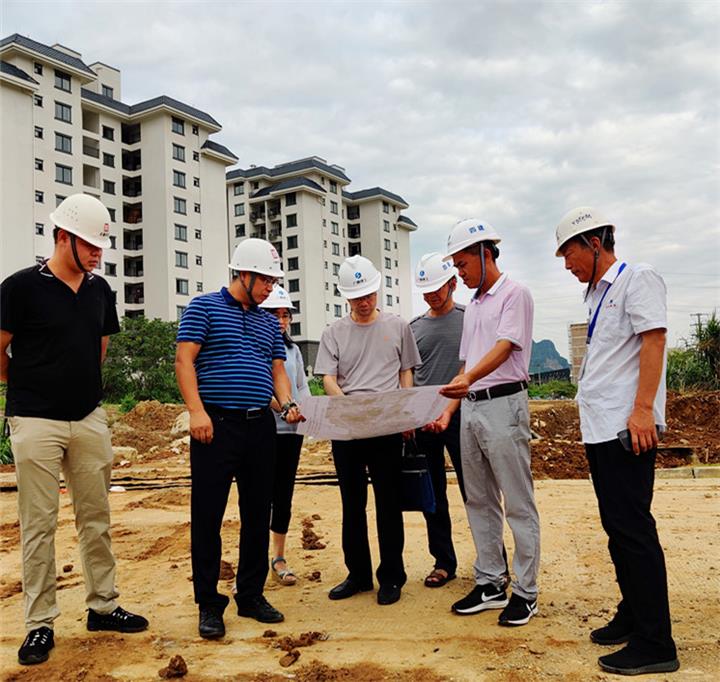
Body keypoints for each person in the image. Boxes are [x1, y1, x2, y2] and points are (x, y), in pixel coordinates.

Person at [0, 194, 148, 667]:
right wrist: (28, 385)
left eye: (101, 246)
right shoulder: (20, 288)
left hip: (88, 418)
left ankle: (102, 606)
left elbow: (98, 348)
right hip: (35, 419)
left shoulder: (100, 291)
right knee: (38, 525)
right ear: (63, 237)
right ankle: (39, 624)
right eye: (90, 245)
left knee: (96, 518)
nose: (98, 254)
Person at [555, 206, 679, 676]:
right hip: (602, 428)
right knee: (617, 530)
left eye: (569, 254)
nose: (567, 265)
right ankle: (633, 613)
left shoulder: (636, 278)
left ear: (594, 243)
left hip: (628, 427)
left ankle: (656, 642)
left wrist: (643, 409)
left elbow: (654, 341)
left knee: (633, 531)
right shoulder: (596, 294)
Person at [175, 238, 302, 640]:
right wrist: (196, 411)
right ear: (242, 274)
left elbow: (277, 370)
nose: (269, 288)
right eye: (264, 280)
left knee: (257, 513)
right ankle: (209, 604)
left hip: (260, 427)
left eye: (273, 281)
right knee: (208, 516)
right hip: (215, 426)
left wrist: (287, 403)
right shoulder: (204, 307)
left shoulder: (267, 322)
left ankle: (250, 595)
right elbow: (184, 360)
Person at [440, 218, 540, 627]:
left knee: (517, 501)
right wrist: (450, 407)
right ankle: (490, 582)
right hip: (472, 407)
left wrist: (469, 380)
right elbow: (467, 362)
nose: (459, 274)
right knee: (478, 498)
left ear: (484, 254)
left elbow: (505, 347)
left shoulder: (515, 294)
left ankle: (526, 591)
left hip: (503, 404)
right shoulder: (475, 306)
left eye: (463, 264)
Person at [314, 255, 421, 606]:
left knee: (388, 503)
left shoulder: (398, 326)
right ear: (346, 296)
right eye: (357, 297)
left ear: (378, 290)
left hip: (386, 425)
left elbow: (406, 370)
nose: (364, 302)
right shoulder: (333, 333)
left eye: (369, 295)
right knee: (352, 504)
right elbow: (328, 378)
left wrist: (403, 409)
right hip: (348, 427)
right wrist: (348, 406)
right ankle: (358, 575)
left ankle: (391, 576)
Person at [409, 252, 466, 588]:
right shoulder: (413, 328)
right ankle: (443, 562)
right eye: (426, 290)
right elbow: (408, 376)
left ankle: (493, 562)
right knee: (432, 495)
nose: (431, 295)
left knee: (476, 493)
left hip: (463, 418)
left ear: (453, 284)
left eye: (436, 288)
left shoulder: (470, 320)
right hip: (424, 421)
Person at [259, 285, 311, 586]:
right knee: (258, 496)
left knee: (283, 495)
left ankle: (278, 557)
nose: (281, 321)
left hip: (291, 432)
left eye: (285, 315)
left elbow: (301, 385)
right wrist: (285, 407)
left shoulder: (293, 351)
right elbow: (259, 387)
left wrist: (306, 410)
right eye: (274, 315)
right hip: (264, 430)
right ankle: (252, 562)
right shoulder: (254, 346)